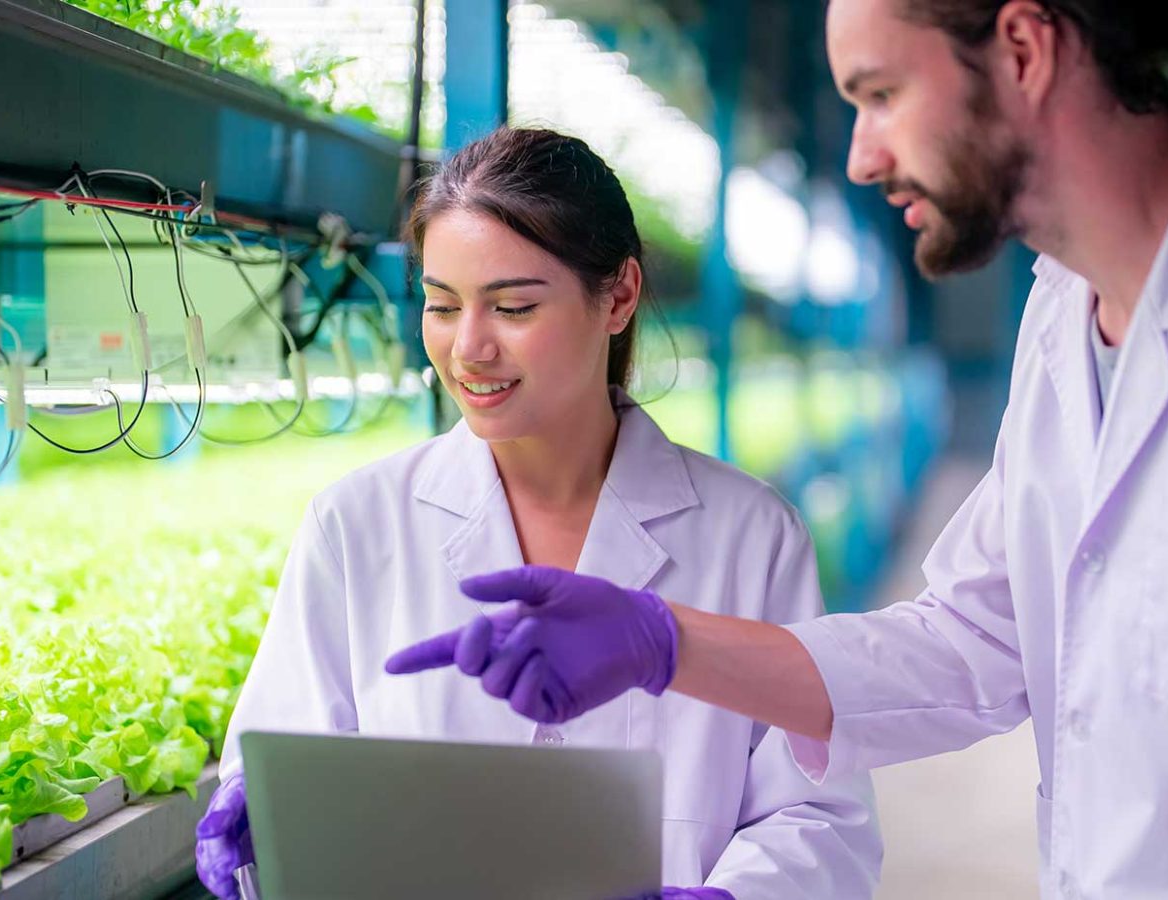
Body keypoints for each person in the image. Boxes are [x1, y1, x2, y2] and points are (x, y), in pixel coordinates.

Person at [398, 1, 1168, 898]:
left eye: (880, 95)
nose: (860, 153)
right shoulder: (1068, 309)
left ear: (1023, 46)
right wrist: (666, 644)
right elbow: (977, 639)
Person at [192, 127, 883, 900]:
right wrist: (258, 813)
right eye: (443, 306)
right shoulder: (356, 525)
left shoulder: (750, 536)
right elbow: (286, 761)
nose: (468, 350)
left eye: (513, 306)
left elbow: (820, 817)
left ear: (617, 296)